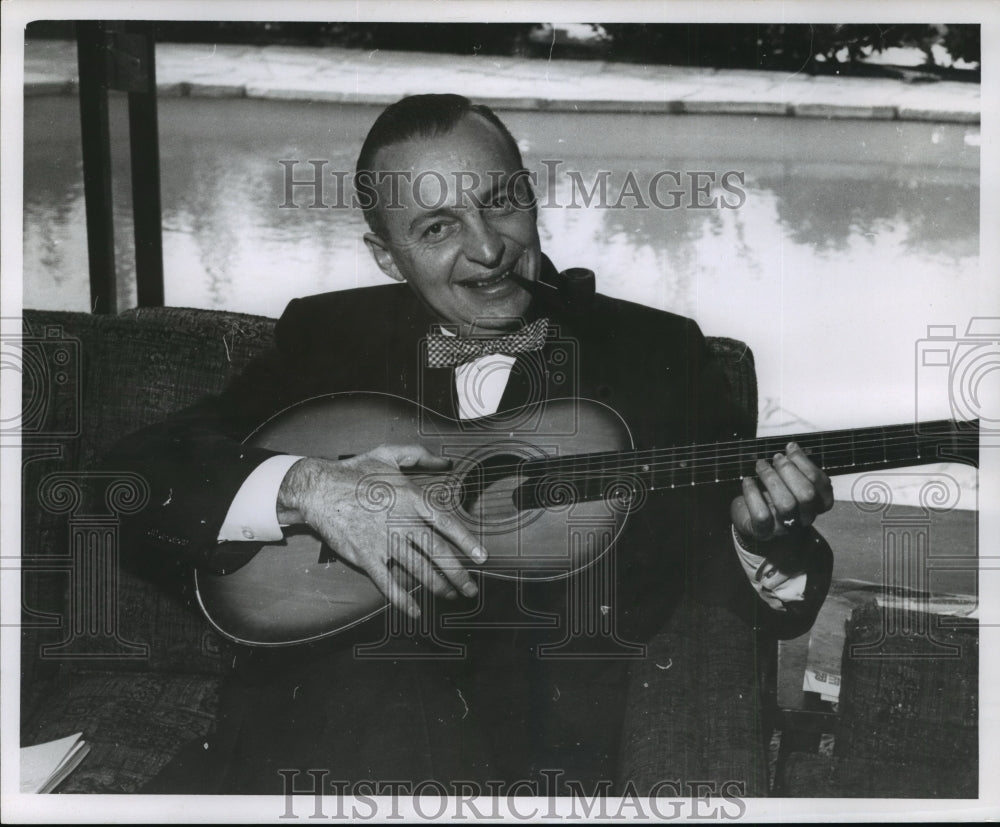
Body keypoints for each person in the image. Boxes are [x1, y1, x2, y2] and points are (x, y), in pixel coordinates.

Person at [108, 94, 833, 797]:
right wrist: (310, 488)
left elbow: (727, 569)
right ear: (387, 256)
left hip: (523, 749)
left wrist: (762, 541)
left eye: (502, 202)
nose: (487, 249)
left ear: (533, 196)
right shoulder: (328, 336)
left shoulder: (654, 351)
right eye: (436, 228)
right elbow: (130, 473)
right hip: (317, 729)